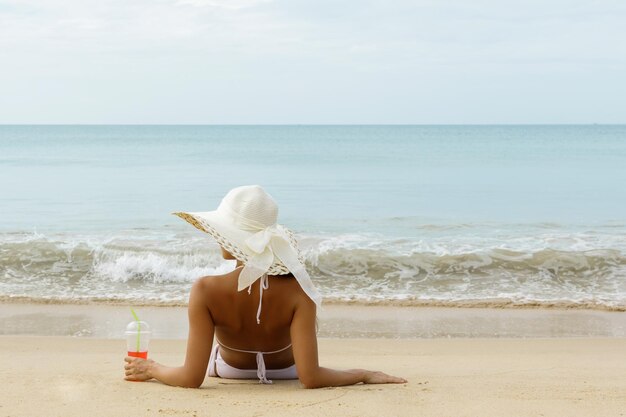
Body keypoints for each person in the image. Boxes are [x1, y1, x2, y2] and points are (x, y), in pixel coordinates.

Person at [124, 185, 406, 388]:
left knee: (211, 354)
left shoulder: (205, 290)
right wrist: (362, 374)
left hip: (228, 371)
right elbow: (312, 377)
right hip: (288, 372)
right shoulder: (299, 290)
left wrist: (152, 368)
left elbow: (190, 378)